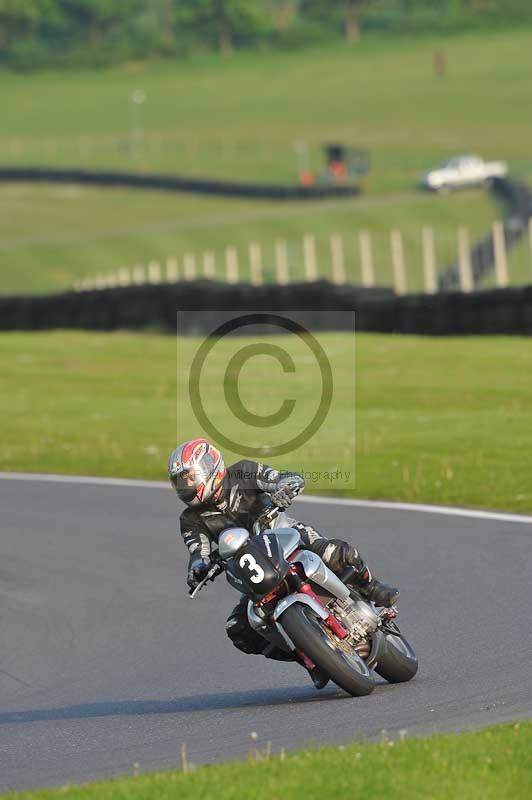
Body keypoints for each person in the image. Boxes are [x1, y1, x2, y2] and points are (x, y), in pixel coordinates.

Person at [168, 438, 399, 689]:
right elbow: (197, 550)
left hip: (285, 535)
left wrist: (285, 486)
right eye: (181, 481)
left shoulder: (243, 472)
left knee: (335, 553)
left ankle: (372, 587)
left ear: (210, 465)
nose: (186, 485)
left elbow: (278, 477)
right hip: (254, 571)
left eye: (190, 477)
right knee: (240, 630)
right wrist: (198, 568)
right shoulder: (190, 519)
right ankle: (311, 657)